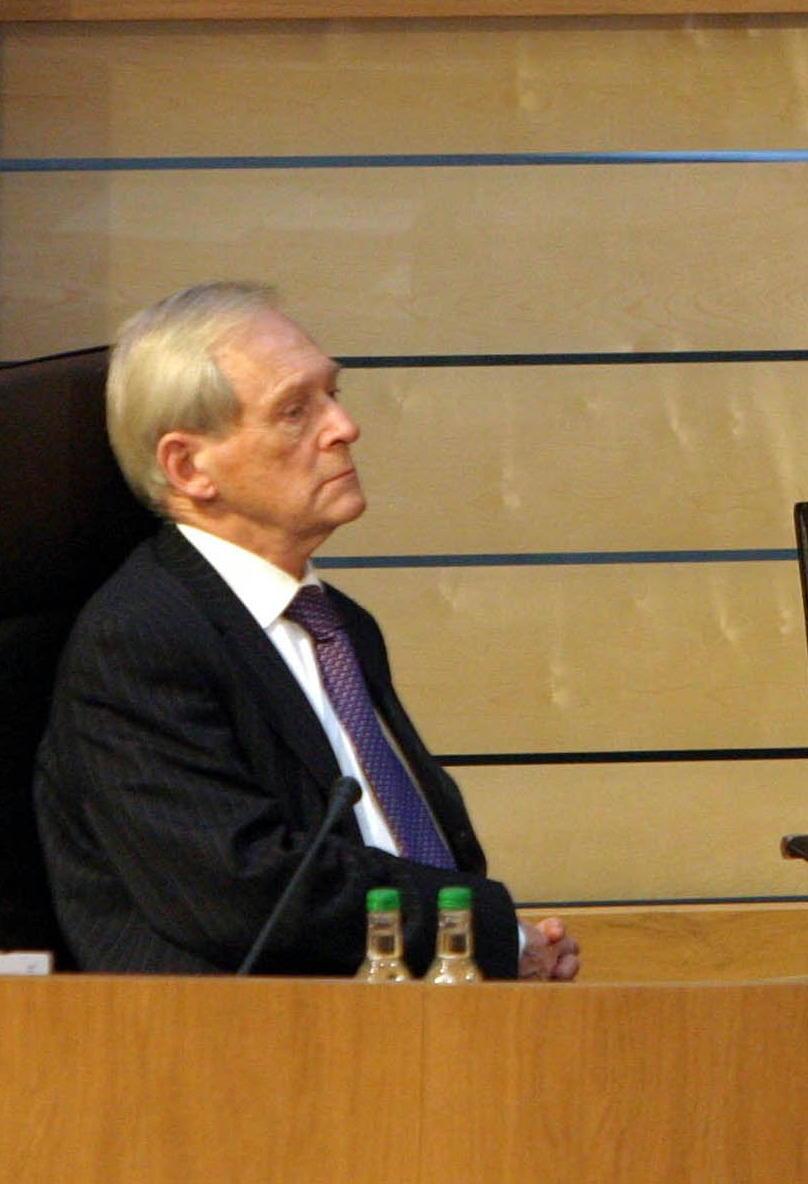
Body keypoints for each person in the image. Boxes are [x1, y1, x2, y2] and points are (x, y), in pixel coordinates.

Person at [36, 281, 581, 978]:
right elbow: (249, 892)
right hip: (250, 1051)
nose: (344, 426)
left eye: (332, 392)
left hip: (407, 1019)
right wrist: (489, 934)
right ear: (188, 465)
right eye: (295, 411)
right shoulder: (140, 640)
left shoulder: (337, 624)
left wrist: (490, 948)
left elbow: (391, 842)